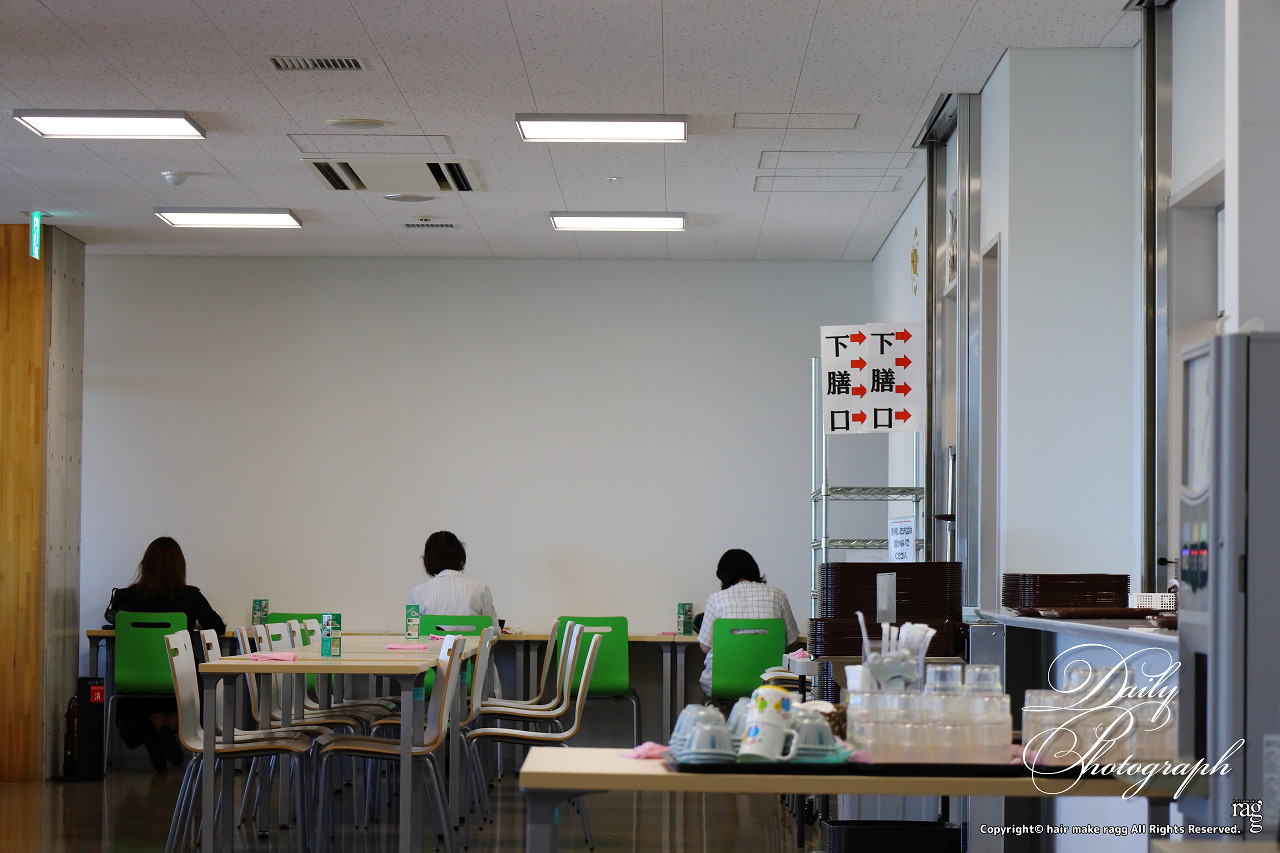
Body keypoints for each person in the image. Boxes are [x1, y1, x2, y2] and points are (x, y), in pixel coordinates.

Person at [106, 536, 226, 772]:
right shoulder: (190, 596)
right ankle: (168, 726)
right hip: (178, 678)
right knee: (200, 684)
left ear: (145, 565)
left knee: (141, 694)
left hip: (135, 679)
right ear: (180, 567)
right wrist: (194, 623)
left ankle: (152, 727)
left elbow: (114, 621)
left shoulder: (130, 596)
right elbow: (218, 627)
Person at [697, 548, 800, 707]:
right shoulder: (778, 595)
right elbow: (791, 640)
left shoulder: (716, 599)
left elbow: (705, 647)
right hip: (770, 683)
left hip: (721, 682)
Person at [408, 531, 498, 624]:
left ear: (428, 559)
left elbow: (411, 630)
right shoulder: (482, 589)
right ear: (461, 556)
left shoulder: (417, 593)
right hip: (472, 634)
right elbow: (493, 629)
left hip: (430, 634)